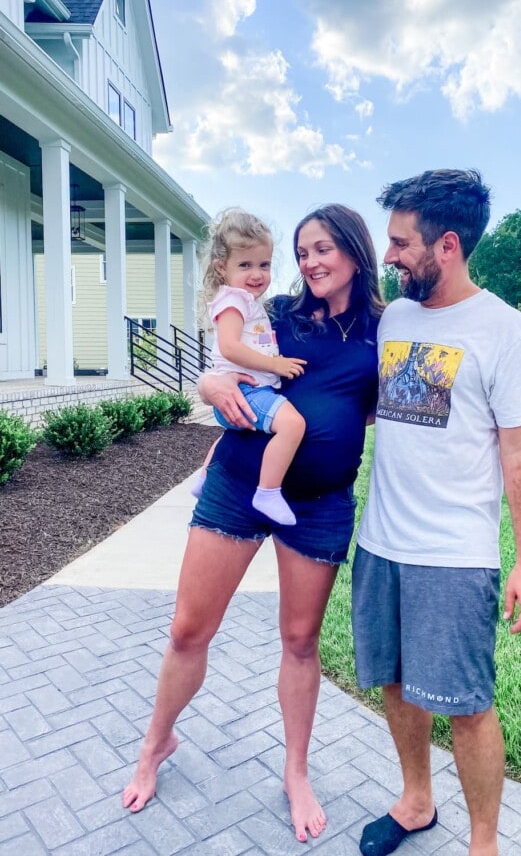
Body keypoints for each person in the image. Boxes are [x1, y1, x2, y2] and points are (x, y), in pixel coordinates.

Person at [122, 204, 383, 844]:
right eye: (304, 251)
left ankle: (296, 772)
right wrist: (209, 386)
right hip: (240, 485)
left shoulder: (383, 327)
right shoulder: (280, 311)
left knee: (299, 642)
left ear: (354, 250)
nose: (311, 262)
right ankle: (156, 743)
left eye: (324, 248)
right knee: (188, 628)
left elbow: (389, 411)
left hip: (319, 504)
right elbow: (228, 356)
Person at [351, 169, 521, 856]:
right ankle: (415, 801)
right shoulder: (394, 317)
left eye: (400, 242)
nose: (389, 255)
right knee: (395, 683)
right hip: (381, 542)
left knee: (466, 702)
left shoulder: (503, 328)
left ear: (445, 245)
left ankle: (484, 843)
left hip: (455, 555)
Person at [191, 208, 307, 526]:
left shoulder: (247, 300)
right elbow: (229, 346)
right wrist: (275, 365)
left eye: (264, 264)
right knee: (293, 425)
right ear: (221, 267)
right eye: (245, 265)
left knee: (233, 431)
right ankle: (268, 492)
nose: (256, 274)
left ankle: (203, 476)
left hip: (244, 387)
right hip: (245, 388)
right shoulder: (233, 301)